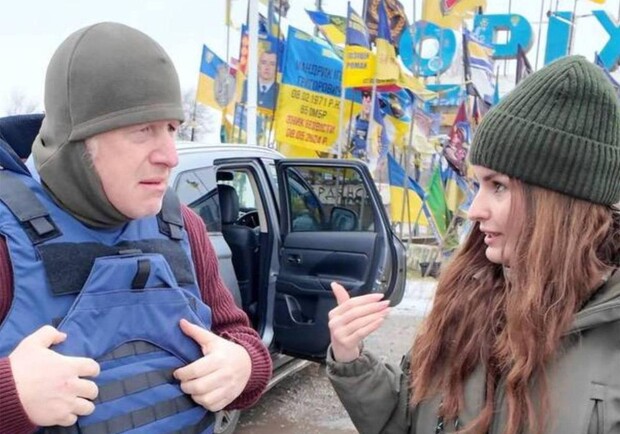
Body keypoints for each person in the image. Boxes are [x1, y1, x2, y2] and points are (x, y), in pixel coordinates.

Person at [0, 22, 271, 433]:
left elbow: (233, 332)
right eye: (143, 129)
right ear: (78, 139)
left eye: (171, 129)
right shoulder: (6, 238)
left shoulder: (182, 225)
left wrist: (243, 364)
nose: (170, 156)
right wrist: (11, 393)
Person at [326, 55, 620, 434]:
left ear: (558, 202)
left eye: (498, 186)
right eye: (477, 184)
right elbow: (407, 419)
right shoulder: (466, 300)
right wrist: (351, 359)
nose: (474, 209)